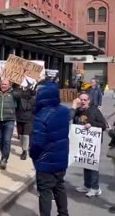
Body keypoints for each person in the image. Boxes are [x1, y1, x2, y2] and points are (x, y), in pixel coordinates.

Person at [30, 82, 70, 216]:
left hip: (45, 161)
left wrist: (33, 156)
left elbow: (37, 143)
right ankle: (63, 213)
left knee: (45, 192)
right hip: (61, 158)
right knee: (59, 187)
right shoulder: (65, 111)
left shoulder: (41, 117)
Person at [72, 92, 107, 197]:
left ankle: (95, 188)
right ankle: (87, 185)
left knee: (93, 165)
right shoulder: (78, 111)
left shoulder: (94, 111)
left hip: (93, 143)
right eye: (81, 99)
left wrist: (92, 125)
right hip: (82, 142)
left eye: (85, 100)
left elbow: (103, 125)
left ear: (89, 101)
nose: (82, 102)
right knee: (85, 164)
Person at [0, 79, 17, 170]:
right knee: (0, 140)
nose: (3, 86)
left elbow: (23, 96)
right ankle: (3, 155)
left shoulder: (14, 94)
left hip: (9, 120)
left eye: (5, 84)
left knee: (7, 140)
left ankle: (4, 159)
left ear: (9, 85)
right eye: (2, 84)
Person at [15, 87, 36, 160]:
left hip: (29, 120)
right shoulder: (19, 98)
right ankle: (24, 149)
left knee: (25, 135)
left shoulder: (33, 100)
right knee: (21, 136)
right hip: (20, 119)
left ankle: (24, 151)